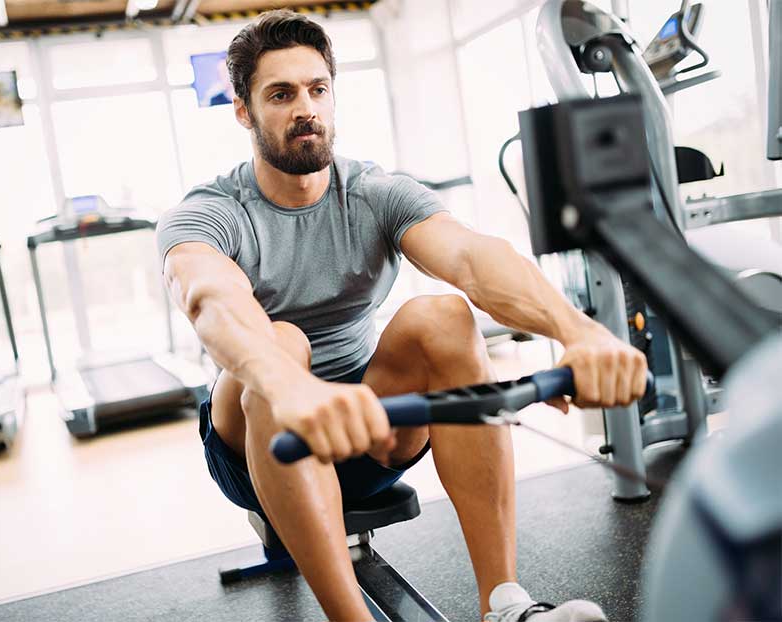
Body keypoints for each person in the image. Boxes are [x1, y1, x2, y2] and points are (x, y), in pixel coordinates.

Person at [157, 10, 648, 622]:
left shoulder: (374, 193)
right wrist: (292, 388)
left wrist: (581, 332)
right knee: (281, 342)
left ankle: (506, 605)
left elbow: (472, 257)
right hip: (258, 442)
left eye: (317, 89)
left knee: (442, 315)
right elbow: (211, 300)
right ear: (243, 111)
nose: (304, 107)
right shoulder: (211, 211)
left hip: (372, 429)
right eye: (280, 94)